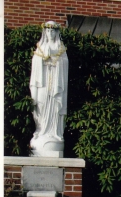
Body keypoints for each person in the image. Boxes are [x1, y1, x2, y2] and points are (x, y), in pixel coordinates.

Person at [30, 21, 68, 154]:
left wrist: (57, 61)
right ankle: (40, 131)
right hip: (43, 82)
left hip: (56, 82)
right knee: (41, 105)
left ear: (56, 32)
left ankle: (54, 132)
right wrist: (43, 59)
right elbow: (35, 63)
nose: (50, 33)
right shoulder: (41, 47)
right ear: (45, 32)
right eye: (48, 31)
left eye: (52, 31)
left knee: (55, 107)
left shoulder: (60, 47)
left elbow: (65, 63)